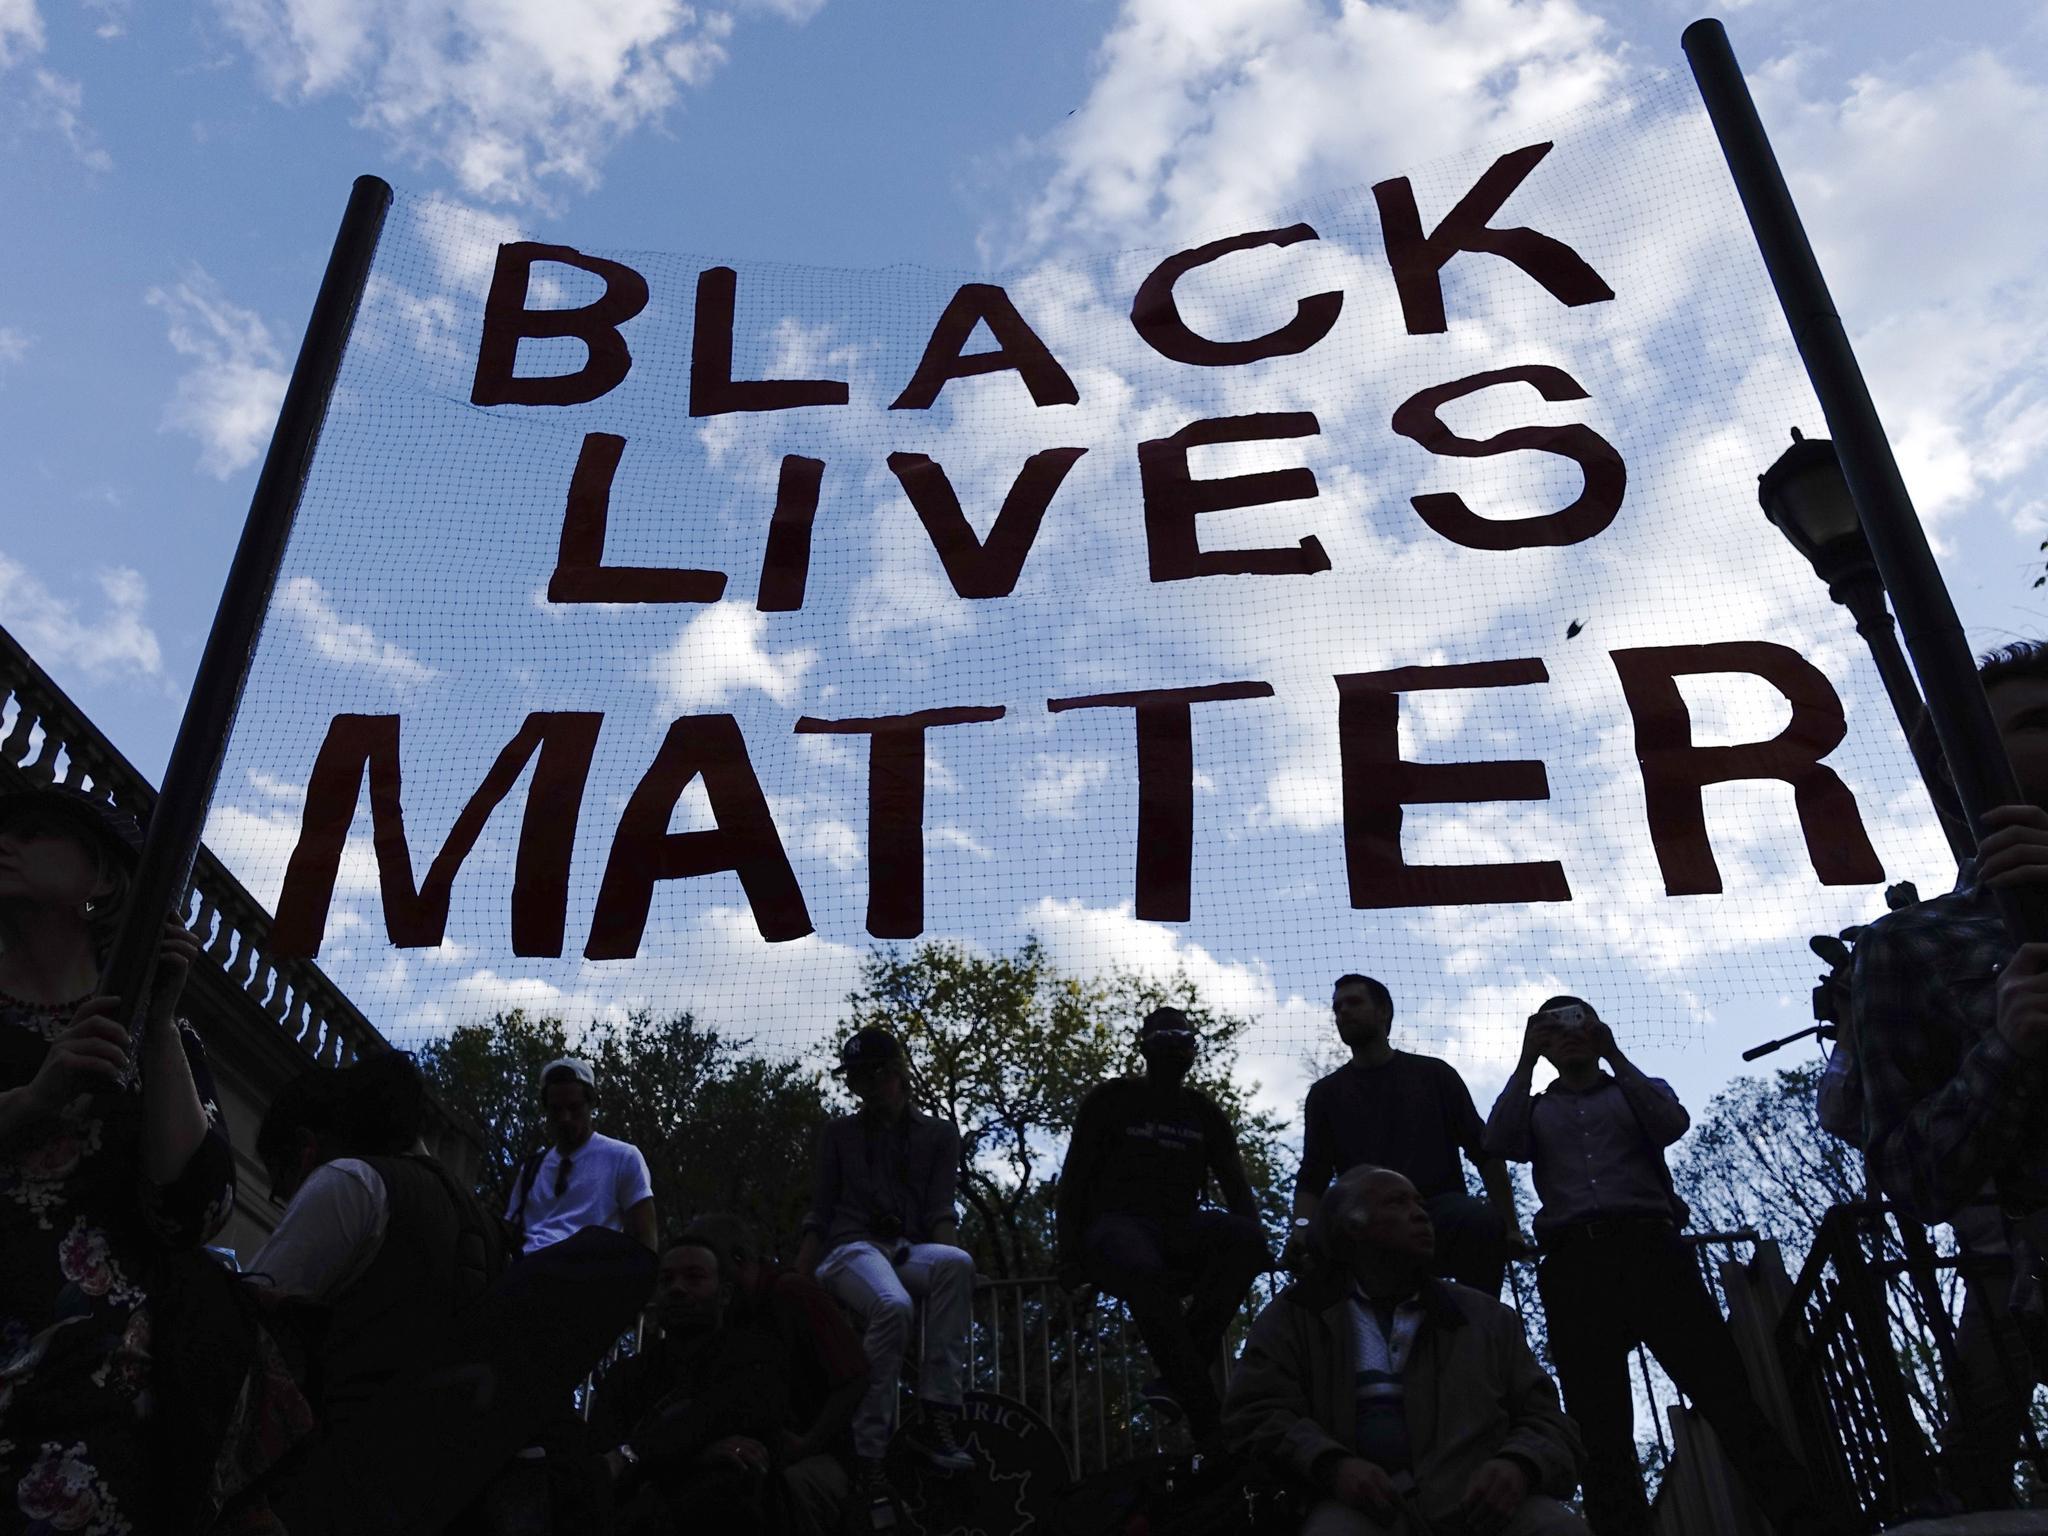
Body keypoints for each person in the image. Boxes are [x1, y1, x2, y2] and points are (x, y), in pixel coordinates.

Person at [1485, 996, 1831, 1536]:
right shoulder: (1533, 1110)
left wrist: (1615, 1055)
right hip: (1575, 1265)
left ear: (1597, 1028)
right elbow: (1497, 1142)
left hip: (1652, 1251)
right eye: (1553, 1027)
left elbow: (1671, 1123)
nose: (1569, 1032)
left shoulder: (1635, 1089)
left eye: (1578, 1020)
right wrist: (1525, 1062)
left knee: (1725, 1393)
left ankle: (1805, 1523)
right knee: (1598, 1429)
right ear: (1541, 1041)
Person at [0, 784, 235, 1534]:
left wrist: (158, 1021)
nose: (6, 841)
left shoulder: (163, 1038)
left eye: (36, 831)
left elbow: (193, 1208)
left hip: (88, 1419)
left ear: (102, 880)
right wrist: (33, 1101)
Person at [1853, 639, 2048, 1507]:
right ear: (1962, 767)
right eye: (2037, 726)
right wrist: (2006, 1051)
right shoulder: (1916, 946)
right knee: (1980, 1446)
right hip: (2024, 1263)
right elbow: (1908, 1176)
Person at [1223, 1164, 1586, 1536]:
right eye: (1397, 1202)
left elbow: (1548, 1419)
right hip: (1358, 1509)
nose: (1420, 1213)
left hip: (1481, 1510)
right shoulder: (1296, 1317)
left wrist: (1519, 1464)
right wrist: (1332, 1464)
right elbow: (1255, 1413)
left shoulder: (1485, 1317)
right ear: (1351, 1225)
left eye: (1421, 1204)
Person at [247, 1050, 504, 1434]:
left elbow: (245, 1317)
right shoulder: (485, 1228)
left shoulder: (353, 1182)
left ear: (306, 1150)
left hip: (333, 1456)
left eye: (282, 1189)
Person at [1054, 1005, 1268, 1445]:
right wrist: (1068, 1254)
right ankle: (1204, 1409)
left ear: (1193, 1052)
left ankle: (1176, 1380)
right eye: (1162, 1042)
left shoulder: (1203, 1114)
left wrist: (1257, 1246)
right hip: (1117, 1228)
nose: (1173, 1051)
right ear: (1144, 1049)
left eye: (1181, 1043)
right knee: (1140, 1263)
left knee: (1244, 1240)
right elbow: (1073, 1180)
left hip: (1179, 1229)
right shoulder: (1111, 1101)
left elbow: (1236, 1187)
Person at [795, 1026, 975, 1502]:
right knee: (892, 1306)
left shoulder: (938, 1134)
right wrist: (796, 1281)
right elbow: (822, 1209)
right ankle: (868, 1448)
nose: (863, 1088)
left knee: (956, 1262)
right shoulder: (839, 1134)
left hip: (905, 1250)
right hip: (849, 1250)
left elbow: (940, 1210)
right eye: (854, 1080)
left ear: (897, 1072)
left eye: (871, 1075)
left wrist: (951, 1267)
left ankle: (938, 1412)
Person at [1293, 973, 1524, 1296]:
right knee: (1318, 1253)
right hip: (1363, 1219)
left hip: (1437, 1211)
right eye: (1337, 1007)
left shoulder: (1434, 1075)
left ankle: (1479, 1332)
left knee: (1478, 1222)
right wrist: (1301, 1232)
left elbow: (1483, 1151)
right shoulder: (1325, 1095)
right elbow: (1313, 1174)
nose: (1343, 1012)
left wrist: (1510, 1227)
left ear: (1384, 1011)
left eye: (1354, 1002)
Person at [590, 1234, 790, 1535]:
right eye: (666, 1280)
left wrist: (634, 1455)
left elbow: (725, 1419)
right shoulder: (626, 1375)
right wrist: (696, 1456)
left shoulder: (755, 1359)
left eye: (694, 1278)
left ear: (724, 1294)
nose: (677, 1289)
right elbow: (603, 1459)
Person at [683, 1212, 866, 1536]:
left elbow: (855, 1376)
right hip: (758, 1458)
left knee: (788, 1493)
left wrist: (808, 1442)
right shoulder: (731, 1316)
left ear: (736, 1259)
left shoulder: (791, 1293)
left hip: (818, 1460)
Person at [506, 1056, 658, 1255]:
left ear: (592, 1104)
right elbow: (510, 1228)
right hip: (528, 1270)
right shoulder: (531, 1169)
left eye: (574, 1108)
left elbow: (645, 1238)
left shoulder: (623, 1157)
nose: (565, 1119)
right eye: (556, 1110)